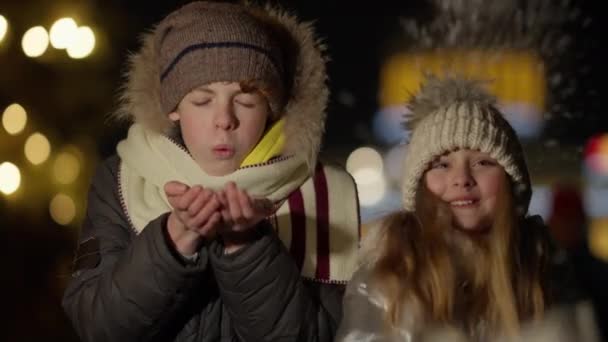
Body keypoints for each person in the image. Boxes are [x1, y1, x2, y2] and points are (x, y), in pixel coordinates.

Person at [62, 2, 360, 341]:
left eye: (246, 102)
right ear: (173, 108)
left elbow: (324, 334)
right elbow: (97, 325)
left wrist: (247, 247)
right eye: (203, 101)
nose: (224, 119)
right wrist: (172, 241)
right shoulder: (124, 181)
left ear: (271, 109)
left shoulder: (321, 193)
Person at [336, 74, 559, 341]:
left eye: (483, 162)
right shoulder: (383, 283)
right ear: (418, 187)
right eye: (442, 165)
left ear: (511, 183)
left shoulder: (548, 272)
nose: (462, 178)